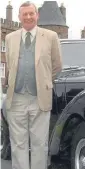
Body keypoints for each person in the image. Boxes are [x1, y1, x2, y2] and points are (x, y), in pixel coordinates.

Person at [4, 1, 62, 169]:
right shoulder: (9, 38)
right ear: (19, 17)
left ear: (37, 15)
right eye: (24, 14)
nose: (28, 17)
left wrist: (43, 81)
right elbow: (9, 64)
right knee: (18, 144)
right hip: (16, 98)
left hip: (40, 98)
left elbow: (57, 65)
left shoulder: (51, 36)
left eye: (31, 13)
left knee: (39, 144)